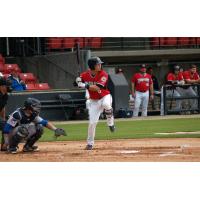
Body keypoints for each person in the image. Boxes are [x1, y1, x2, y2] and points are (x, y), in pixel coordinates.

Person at [75, 56, 115, 150]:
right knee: (92, 123)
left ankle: (110, 122)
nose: (100, 65)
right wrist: (78, 81)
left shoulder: (103, 74)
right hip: (94, 101)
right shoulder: (85, 74)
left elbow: (97, 88)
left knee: (106, 105)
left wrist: (84, 85)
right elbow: (78, 80)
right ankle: (90, 143)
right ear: (93, 66)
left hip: (105, 96)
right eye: (98, 64)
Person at [2, 97, 66, 153]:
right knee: (23, 129)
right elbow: (6, 128)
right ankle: (12, 147)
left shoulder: (33, 115)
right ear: (29, 106)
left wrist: (55, 129)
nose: (37, 109)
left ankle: (28, 146)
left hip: (22, 132)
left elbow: (44, 122)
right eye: (35, 107)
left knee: (39, 127)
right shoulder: (18, 114)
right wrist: (6, 142)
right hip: (10, 135)